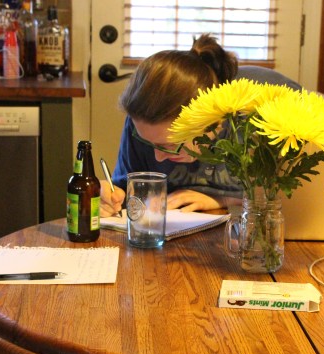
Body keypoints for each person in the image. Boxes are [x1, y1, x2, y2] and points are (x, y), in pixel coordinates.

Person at [100, 34, 302, 217]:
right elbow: (127, 191)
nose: (157, 157)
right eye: (147, 143)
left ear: (214, 121)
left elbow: (301, 197)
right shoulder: (143, 123)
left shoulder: (266, 110)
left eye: (170, 145)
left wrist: (221, 200)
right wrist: (110, 197)